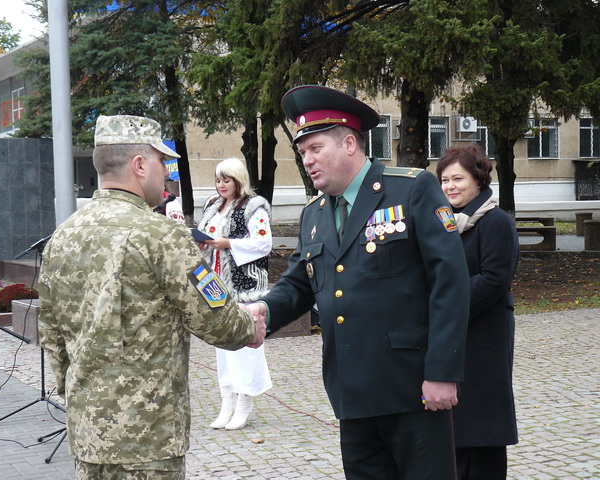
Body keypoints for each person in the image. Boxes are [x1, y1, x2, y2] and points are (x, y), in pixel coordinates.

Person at [246, 85, 471, 480]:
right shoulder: (314, 213)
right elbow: (300, 282)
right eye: (302, 153)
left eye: (315, 148)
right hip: (351, 391)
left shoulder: (410, 188)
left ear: (349, 143)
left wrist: (442, 372)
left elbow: (449, 283)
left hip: (413, 390)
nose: (308, 160)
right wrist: (265, 309)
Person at [37, 114, 265, 480]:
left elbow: (50, 332)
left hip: (87, 434)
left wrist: (76, 390)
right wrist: (249, 327)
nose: (168, 173)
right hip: (148, 440)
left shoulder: (62, 236)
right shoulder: (161, 235)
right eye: (163, 162)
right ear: (139, 165)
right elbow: (219, 320)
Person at [436, 145, 519, 480]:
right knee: (454, 428)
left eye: (458, 178)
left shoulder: (496, 222)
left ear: (479, 180)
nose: (450, 186)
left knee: (482, 428)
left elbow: (494, 280)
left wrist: (442, 306)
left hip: (484, 337)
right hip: (451, 336)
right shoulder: (445, 223)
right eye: (444, 180)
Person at [197, 157, 273, 430]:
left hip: (244, 285)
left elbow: (263, 243)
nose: (221, 185)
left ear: (238, 180)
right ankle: (226, 400)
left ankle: (244, 401)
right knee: (222, 345)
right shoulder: (212, 206)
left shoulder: (254, 207)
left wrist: (227, 243)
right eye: (218, 180)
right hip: (214, 285)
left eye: (226, 180)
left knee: (245, 344)